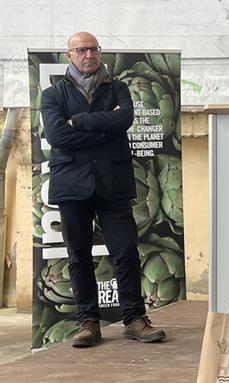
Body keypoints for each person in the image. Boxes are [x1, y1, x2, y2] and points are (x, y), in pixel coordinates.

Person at [40, 31, 167, 347]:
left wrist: (78, 121)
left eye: (94, 49)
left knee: (125, 251)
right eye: (81, 49)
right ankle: (88, 323)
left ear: (100, 53)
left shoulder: (119, 88)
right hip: (71, 184)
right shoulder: (52, 95)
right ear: (68, 55)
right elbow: (57, 137)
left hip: (113, 182)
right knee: (78, 256)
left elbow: (123, 120)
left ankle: (134, 319)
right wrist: (102, 126)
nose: (88, 54)